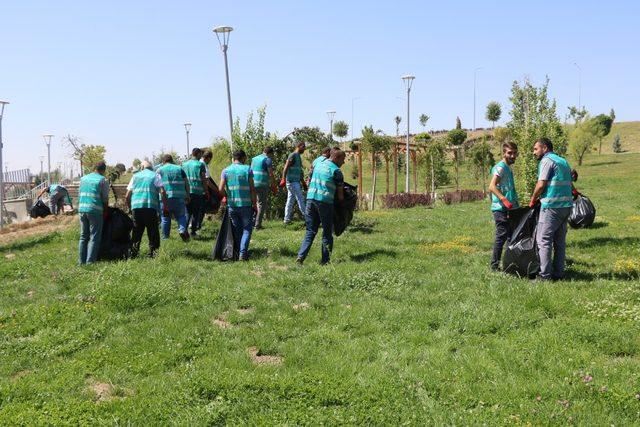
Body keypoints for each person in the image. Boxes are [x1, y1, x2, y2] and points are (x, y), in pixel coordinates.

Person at [529, 137, 576, 281]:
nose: (534, 152)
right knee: (559, 242)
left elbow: (541, 184)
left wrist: (533, 199)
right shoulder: (563, 161)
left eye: (536, 149)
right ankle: (559, 274)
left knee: (543, 240)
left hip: (552, 207)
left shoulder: (547, 161)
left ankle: (544, 276)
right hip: (566, 206)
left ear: (545, 148)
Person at [296, 149, 346, 265]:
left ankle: (300, 257)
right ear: (336, 158)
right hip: (324, 202)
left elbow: (310, 178)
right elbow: (340, 195)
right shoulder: (336, 171)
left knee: (310, 231)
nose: (343, 162)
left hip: (310, 199)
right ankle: (325, 261)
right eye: (342, 159)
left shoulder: (318, 165)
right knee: (327, 233)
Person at [218, 150, 257, 261]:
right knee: (247, 229)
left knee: (237, 230)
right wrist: (254, 204)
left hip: (232, 206)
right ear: (243, 158)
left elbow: (220, 189)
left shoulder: (225, 171)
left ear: (234, 158)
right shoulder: (247, 169)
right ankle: (243, 253)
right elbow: (252, 189)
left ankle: (240, 251)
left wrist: (225, 196)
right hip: (246, 205)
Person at [488, 141, 520, 271]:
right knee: (501, 236)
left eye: (514, 153)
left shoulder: (507, 167)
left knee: (510, 236)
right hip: (501, 208)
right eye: (509, 153)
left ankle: (509, 263)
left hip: (509, 208)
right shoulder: (501, 167)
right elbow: (492, 186)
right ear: (503, 153)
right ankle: (494, 266)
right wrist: (503, 199)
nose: (512, 156)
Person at [125, 161, 168, 258]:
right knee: (153, 231)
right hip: (150, 208)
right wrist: (165, 207)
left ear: (142, 167)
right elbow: (162, 191)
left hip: (136, 208)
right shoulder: (155, 175)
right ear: (151, 168)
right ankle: (153, 254)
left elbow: (127, 196)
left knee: (136, 232)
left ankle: (133, 254)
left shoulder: (135, 176)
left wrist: (130, 209)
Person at [78, 161, 109, 265]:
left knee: (83, 236)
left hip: (82, 209)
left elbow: (80, 194)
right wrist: (105, 211)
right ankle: (90, 262)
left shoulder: (83, 179)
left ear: (94, 168)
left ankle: (81, 262)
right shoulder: (103, 180)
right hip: (95, 210)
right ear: (103, 170)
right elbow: (105, 199)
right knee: (94, 236)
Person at [156, 154, 190, 241]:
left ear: (163, 162)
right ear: (172, 160)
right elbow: (186, 183)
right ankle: (182, 230)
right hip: (179, 197)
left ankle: (165, 238)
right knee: (181, 216)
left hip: (165, 198)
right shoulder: (179, 169)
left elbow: (157, 185)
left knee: (165, 218)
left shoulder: (159, 170)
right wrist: (188, 195)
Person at [280, 141, 307, 225]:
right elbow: (286, 167)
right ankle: (308, 218)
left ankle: (287, 220)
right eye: (303, 147)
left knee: (290, 200)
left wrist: (303, 183)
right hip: (292, 182)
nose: (304, 149)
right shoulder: (293, 155)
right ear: (298, 146)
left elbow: (299, 172)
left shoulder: (298, 156)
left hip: (295, 181)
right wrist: (283, 179)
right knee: (300, 199)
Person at [182, 148, 207, 237]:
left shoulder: (184, 164)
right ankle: (193, 232)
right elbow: (204, 179)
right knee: (196, 213)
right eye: (201, 154)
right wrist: (206, 191)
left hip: (186, 192)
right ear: (198, 154)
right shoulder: (200, 165)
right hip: (197, 192)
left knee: (187, 212)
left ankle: (184, 231)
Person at [250, 146, 276, 229]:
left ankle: (251, 222)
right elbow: (271, 174)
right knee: (261, 204)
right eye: (272, 154)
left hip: (252, 183)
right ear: (270, 153)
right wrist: (273, 185)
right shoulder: (267, 159)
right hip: (262, 184)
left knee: (254, 203)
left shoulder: (254, 159)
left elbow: (250, 171)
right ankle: (257, 225)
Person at [197, 149, 218, 230]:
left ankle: (193, 225)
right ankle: (197, 226)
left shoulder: (198, 163)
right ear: (208, 158)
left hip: (195, 189)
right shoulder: (204, 165)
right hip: (202, 190)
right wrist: (216, 190)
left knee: (195, 209)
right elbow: (207, 182)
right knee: (201, 209)